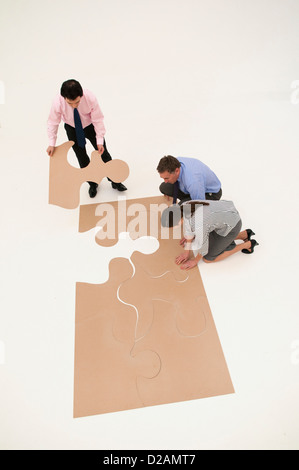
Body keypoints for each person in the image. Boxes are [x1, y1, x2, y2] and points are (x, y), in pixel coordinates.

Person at [46, 79, 127, 198]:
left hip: (90, 126)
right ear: (64, 98)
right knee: (81, 157)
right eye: (70, 103)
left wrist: (99, 140)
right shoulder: (57, 103)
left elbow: (98, 119)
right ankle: (92, 184)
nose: (74, 105)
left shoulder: (90, 98)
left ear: (81, 95)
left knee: (104, 154)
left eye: (77, 102)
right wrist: (51, 143)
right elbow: (53, 122)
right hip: (72, 128)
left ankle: (115, 180)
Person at [161, 200, 258, 270]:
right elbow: (189, 231)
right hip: (225, 216)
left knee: (208, 258)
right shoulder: (184, 206)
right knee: (202, 241)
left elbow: (203, 247)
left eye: (172, 227)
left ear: (178, 221)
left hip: (232, 225)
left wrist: (195, 260)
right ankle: (245, 234)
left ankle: (248, 244)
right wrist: (186, 253)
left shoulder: (198, 223)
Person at [157, 155, 222, 204]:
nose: (165, 181)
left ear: (176, 171)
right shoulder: (175, 162)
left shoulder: (193, 181)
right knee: (164, 187)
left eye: (167, 178)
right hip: (192, 188)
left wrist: (183, 212)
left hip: (209, 194)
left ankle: (188, 200)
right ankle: (188, 199)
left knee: (177, 212)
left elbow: (200, 205)